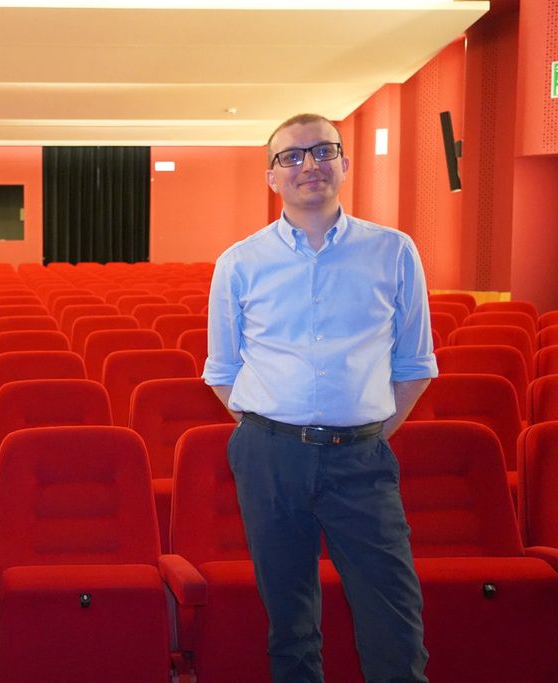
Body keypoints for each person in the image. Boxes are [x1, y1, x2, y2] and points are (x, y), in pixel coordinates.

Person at [204, 113, 437, 682]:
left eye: (322, 151)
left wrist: (363, 433)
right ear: (272, 177)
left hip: (361, 459)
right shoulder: (239, 262)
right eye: (291, 156)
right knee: (290, 622)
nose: (308, 164)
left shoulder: (393, 251)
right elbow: (223, 371)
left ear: (344, 163)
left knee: (394, 619)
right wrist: (273, 429)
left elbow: (414, 366)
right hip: (270, 458)